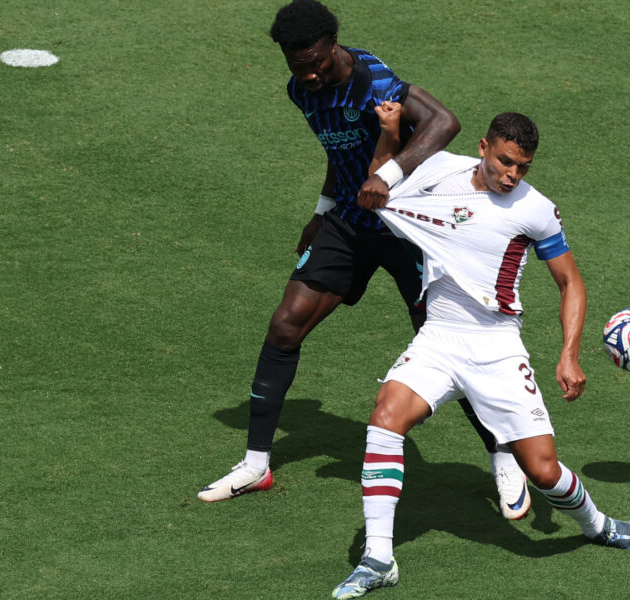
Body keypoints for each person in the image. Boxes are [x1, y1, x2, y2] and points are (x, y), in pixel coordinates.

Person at [198, 0, 532, 521]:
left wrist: (389, 177)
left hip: (410, 231)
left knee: (452, 347)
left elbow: (445, 121)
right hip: (352, 222)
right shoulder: (301, 91)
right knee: (286, 324)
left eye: (316, 62)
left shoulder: (374, 79)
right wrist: (322, 209)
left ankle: (503, 455)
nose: (308, 74)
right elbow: (342, 153)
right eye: (297, 65)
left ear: (334, 44)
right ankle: (255, 463)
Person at [331, 107, 630, 599]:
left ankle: (598, 525)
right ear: (483, 148)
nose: (512, 175)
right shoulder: (438, 169)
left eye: (523, 167)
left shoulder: (535, 210)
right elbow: (380, 186)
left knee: (543, 470)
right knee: (385, 419)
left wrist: (569, 354)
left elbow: (570, 281)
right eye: (505, 162)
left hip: (497, 347)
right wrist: (390, 133)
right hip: (440, 336)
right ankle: (379, 557)